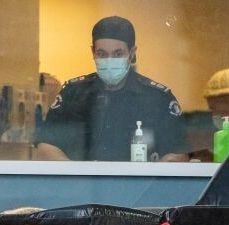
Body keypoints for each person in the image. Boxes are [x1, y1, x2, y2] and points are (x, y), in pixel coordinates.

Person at [35, 16, 184, 161]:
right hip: (83, 184)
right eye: (102, 54)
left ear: (132, 53)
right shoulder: (72, 93)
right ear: (93, 52)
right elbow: (46, 146)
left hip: (140, 186)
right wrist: (76, 177)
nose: (110, 60)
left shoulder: (157, 98)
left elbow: (177, 154)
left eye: (118, 54)